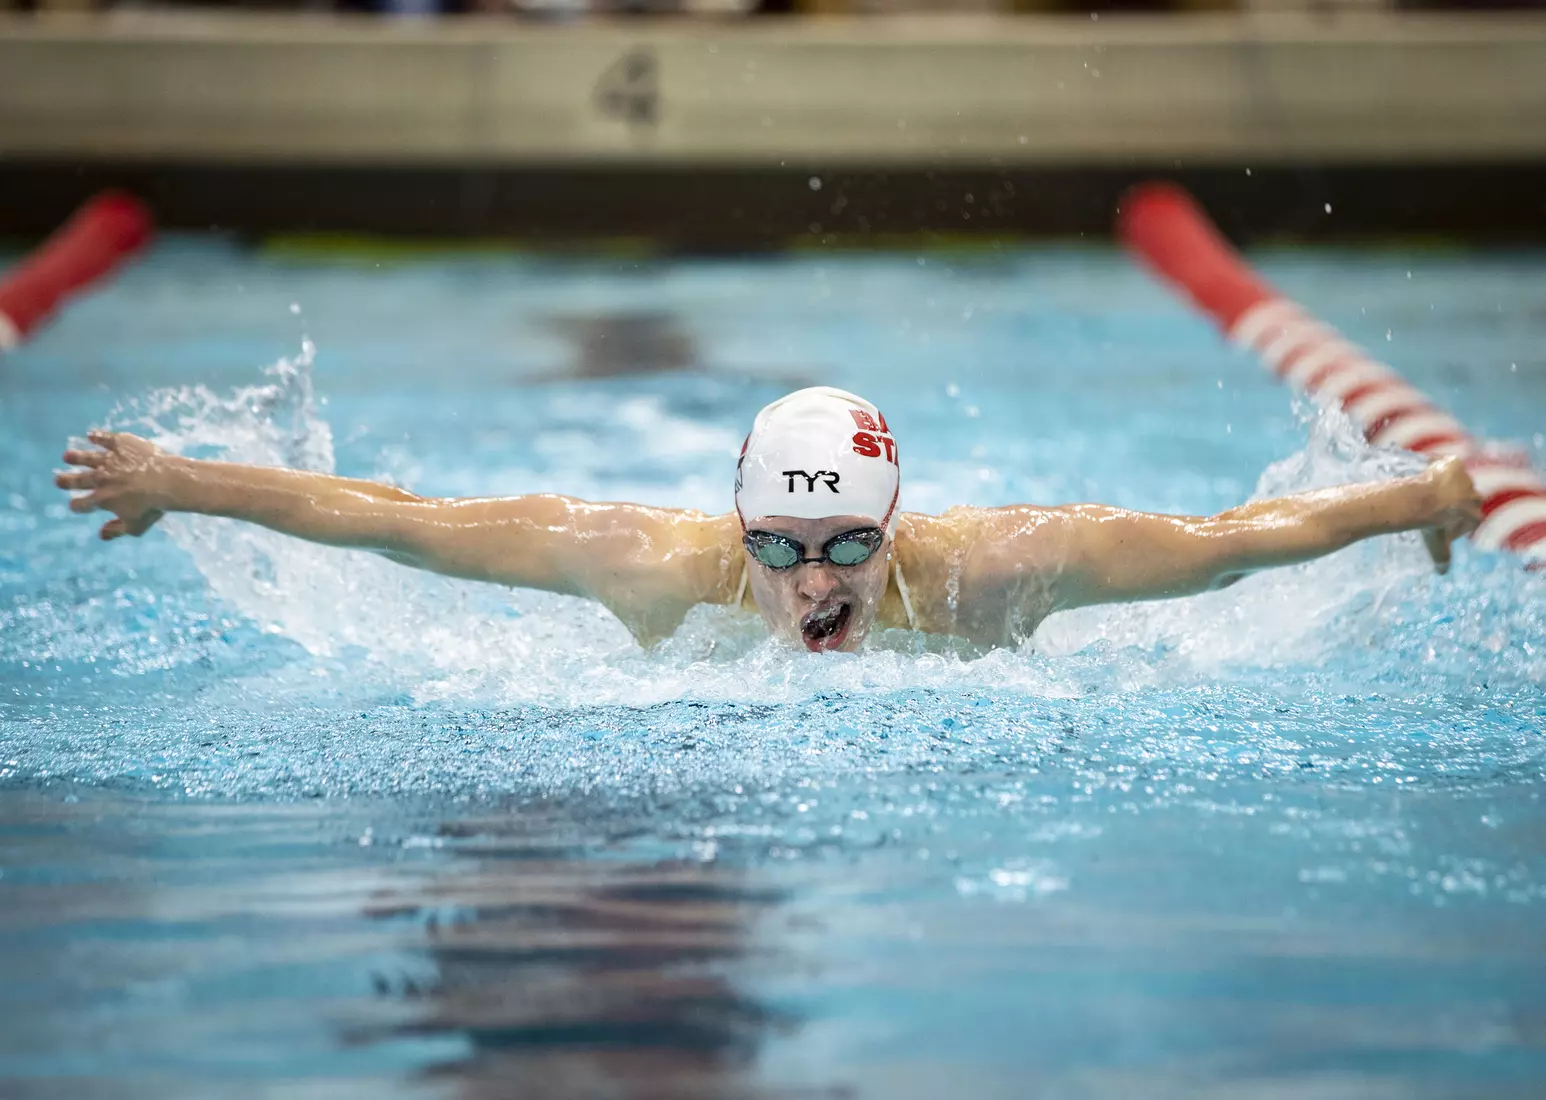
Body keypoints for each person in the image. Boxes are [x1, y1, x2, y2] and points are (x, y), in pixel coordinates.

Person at [54, 386, 1481, 653]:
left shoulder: (1003, 570)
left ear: (895, 525)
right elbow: (399, 522)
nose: (818, 583)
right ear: (733, 530)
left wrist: (1419, 497)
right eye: (785, 549)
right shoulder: (648, 570)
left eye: (850, 545)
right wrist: (183, 482)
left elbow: (1233, 540)